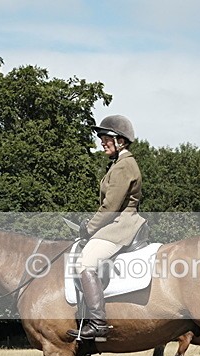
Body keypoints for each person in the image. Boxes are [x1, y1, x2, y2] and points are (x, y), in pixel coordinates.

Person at [68, 115, 146, 341]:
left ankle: (98, 322)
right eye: (101, 137)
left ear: (120, 140)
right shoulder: (119, 164)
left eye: (106, 138)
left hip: (121, 226)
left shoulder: (123, 166)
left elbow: (111, 206)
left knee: (85, 262)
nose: (102, 142)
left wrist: (89, 227)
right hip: (116, 224)